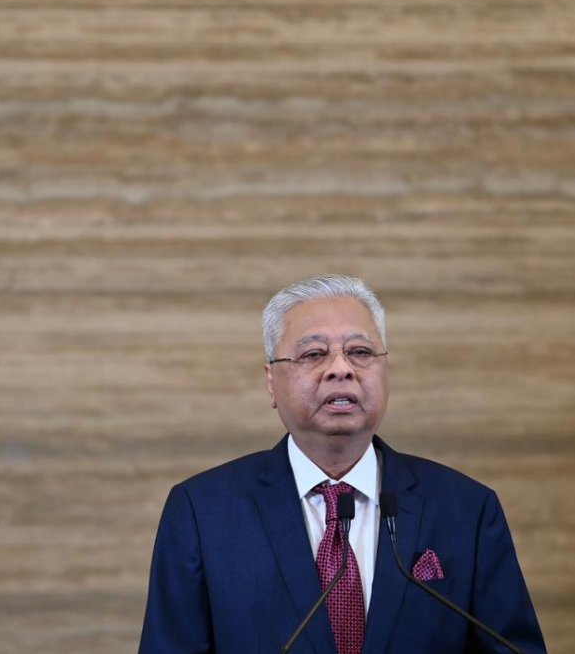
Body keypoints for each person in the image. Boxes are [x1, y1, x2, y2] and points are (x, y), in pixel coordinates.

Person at [138, 274, 546, 654]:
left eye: (360, 352)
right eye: (313, 354)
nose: (340, 368)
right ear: (271, 381)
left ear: (386, 372)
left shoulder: (468, 509)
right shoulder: (201, 511)